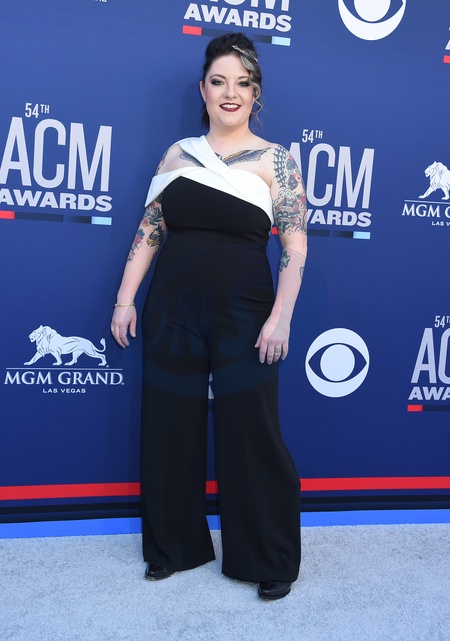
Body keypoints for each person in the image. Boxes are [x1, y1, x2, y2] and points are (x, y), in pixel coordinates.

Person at [111, 32, 307, 600]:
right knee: (168, 426)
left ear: (256, 94)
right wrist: (125, 299)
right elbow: (150, 230)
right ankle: (173, 547)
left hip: (246, 311)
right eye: (219, 81)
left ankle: (267, 557)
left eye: (242, 83)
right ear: (203, 89)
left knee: (252, 430)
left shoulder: (277, 162)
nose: (230, 93)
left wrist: (281, 317)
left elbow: (296, 245)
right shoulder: (177, 155)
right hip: (171, 309)